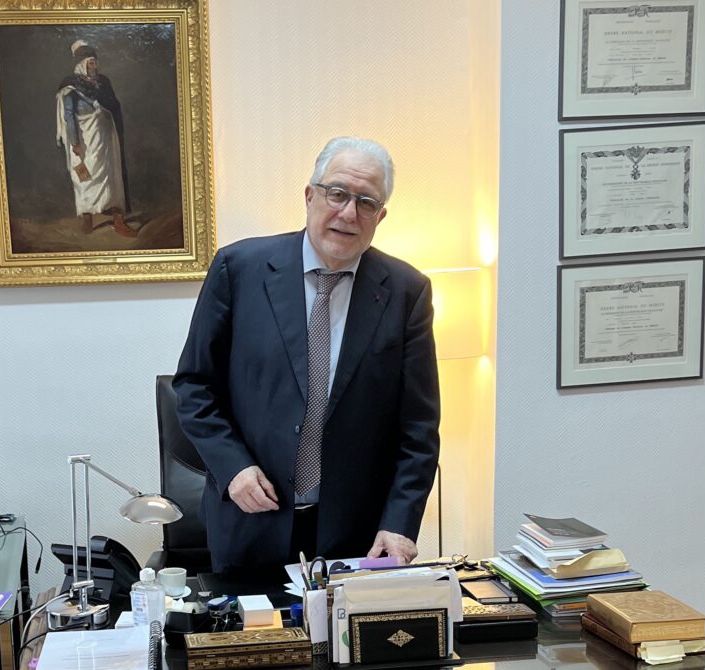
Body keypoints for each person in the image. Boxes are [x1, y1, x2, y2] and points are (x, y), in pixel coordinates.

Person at [173, 137, 440, 572]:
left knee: (346, 643)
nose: (348, 213)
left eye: (366, 202)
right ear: (310, 195)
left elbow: (418, 429)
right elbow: (195, 387)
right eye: (337, 193)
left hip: (357, 535)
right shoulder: (238, 269)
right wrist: (233, 468)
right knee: (256, 642)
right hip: (250, 519)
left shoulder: (406, 291)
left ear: (381, 216)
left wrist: (401, 523)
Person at [55, 40, 135, 238]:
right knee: (84, 177)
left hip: (105, 138)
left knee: (111, 177)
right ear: (82, 64)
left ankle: (118, 220)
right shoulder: (70, 86)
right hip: (83, 138)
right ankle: (87, 220)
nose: (95, 66)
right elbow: (68, 115)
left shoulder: (103, 82)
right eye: (91, 63)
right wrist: (74, 142)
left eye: (95, 62)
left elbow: (113, 105)